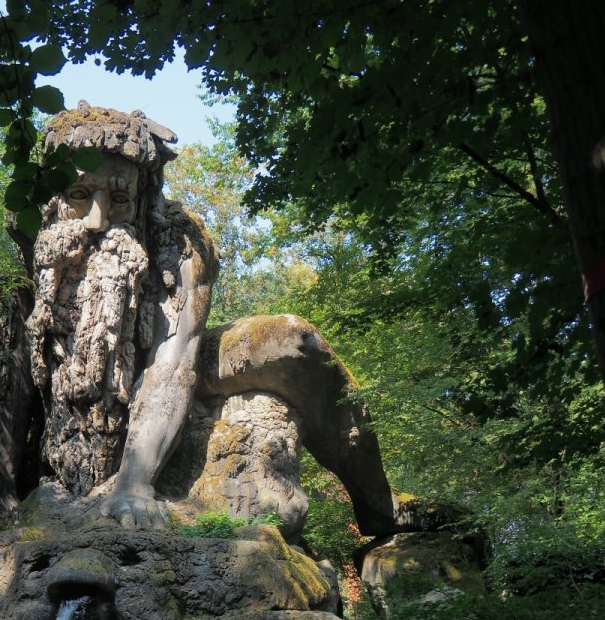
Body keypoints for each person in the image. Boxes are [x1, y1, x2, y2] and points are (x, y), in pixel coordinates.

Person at [27, 102, 429, 535]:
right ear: (55, 196)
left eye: (120, 199)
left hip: (175, 359)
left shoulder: (179, 241)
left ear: (144, 197)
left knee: (296, 341)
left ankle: (379, 502)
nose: (98, 219)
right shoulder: (38, 237)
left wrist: (134, 484)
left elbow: (173, 364)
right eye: (80, 195)